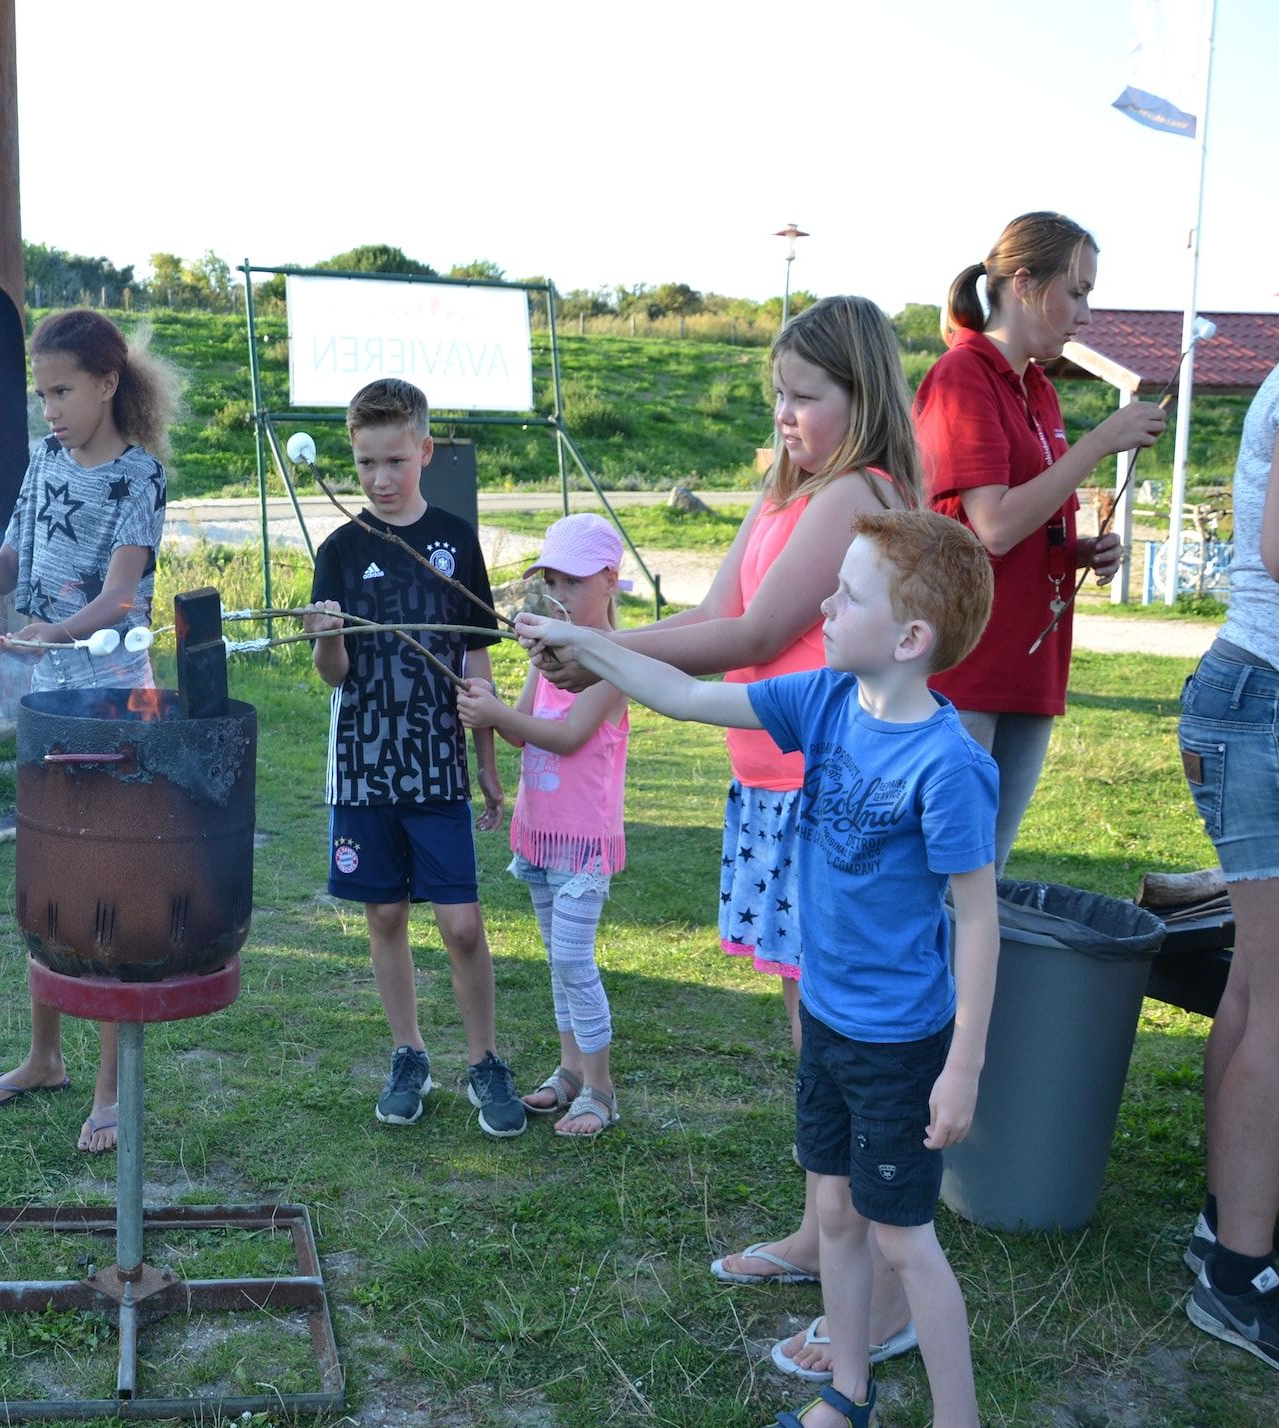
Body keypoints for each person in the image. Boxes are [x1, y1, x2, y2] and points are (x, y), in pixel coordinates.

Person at [520, 508, 1004, 1428]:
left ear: (907, 638)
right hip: (826, 1023)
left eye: (847, 595)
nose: (821, 605)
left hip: (898, 1044)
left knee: (904, 1239)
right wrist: (586, 644)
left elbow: (976, 920)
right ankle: (851, 1395)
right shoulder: (827, 702)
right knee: (829, 1212)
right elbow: (691, 695)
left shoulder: (948, 766)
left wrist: (960, 1065)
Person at [544, 297, 928, 1368]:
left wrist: (602, 657)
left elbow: (756, 636)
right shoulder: (785, 495)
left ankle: (885, 1292)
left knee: (842, 1038)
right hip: (770, 791)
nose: (786, 414)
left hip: (826, 794)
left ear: (861, 397)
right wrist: (595, 644)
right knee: (809, 1023)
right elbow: (712, 612)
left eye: (806, 397)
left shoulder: (856, 494)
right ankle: (821, 1233)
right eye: (777, 394)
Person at [0, 309, 178, 1152]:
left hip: (114, 699)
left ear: (108, 383)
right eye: (42, 394)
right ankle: (46, 1057)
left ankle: (111, 1089)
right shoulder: (42, 460)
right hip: (47, 699)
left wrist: (54, 632)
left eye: (64, 391)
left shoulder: (139, 478)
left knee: (107, 886)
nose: (50, 409)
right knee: (46, 876)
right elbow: (13, 569)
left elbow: (120, 597)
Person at [914, 211, 1166, 871]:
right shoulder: (963, 377)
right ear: (1022, 283)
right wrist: (1099, 443)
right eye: (1076, 292)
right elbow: (992, 526)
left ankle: (971, 982)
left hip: (1031, 664)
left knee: (983, 876)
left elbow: (1017, 520)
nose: (1085, 314)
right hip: (967, 666)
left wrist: (1078, 550)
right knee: (942, 881)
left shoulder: (1041, 390)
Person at [302, 377, 518, 1138]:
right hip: (362, 767)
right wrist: (326, 635)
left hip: (436, 769)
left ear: (425, 451)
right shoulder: (338, 549)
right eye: (365, 463)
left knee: (461, 924)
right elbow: (335, 676)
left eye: (395, 459)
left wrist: (486, 758)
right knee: (385, 912)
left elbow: (476, 658)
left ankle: (486, 1061)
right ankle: (409, 1053)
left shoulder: (456, 542)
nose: (381, 479)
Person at [1178, 349, 1279, 1375]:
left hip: (1252, 695)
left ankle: (1228, 1230)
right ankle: (1236, 1270)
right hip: (1266, 699)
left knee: (1258, 986)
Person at [456, 515, 629, 1136]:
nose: (557, 592)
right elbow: (519, 723)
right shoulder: (546, 654)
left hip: (582, 841)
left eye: (572, 582)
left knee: (573, 959)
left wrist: (498, 712)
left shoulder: (615, 660)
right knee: (557, 959)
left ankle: (602, 1089)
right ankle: (570, 1070)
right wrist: (486, 707)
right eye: (550, 579)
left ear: (609, 581)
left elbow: (567, 735)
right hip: (540, 830)